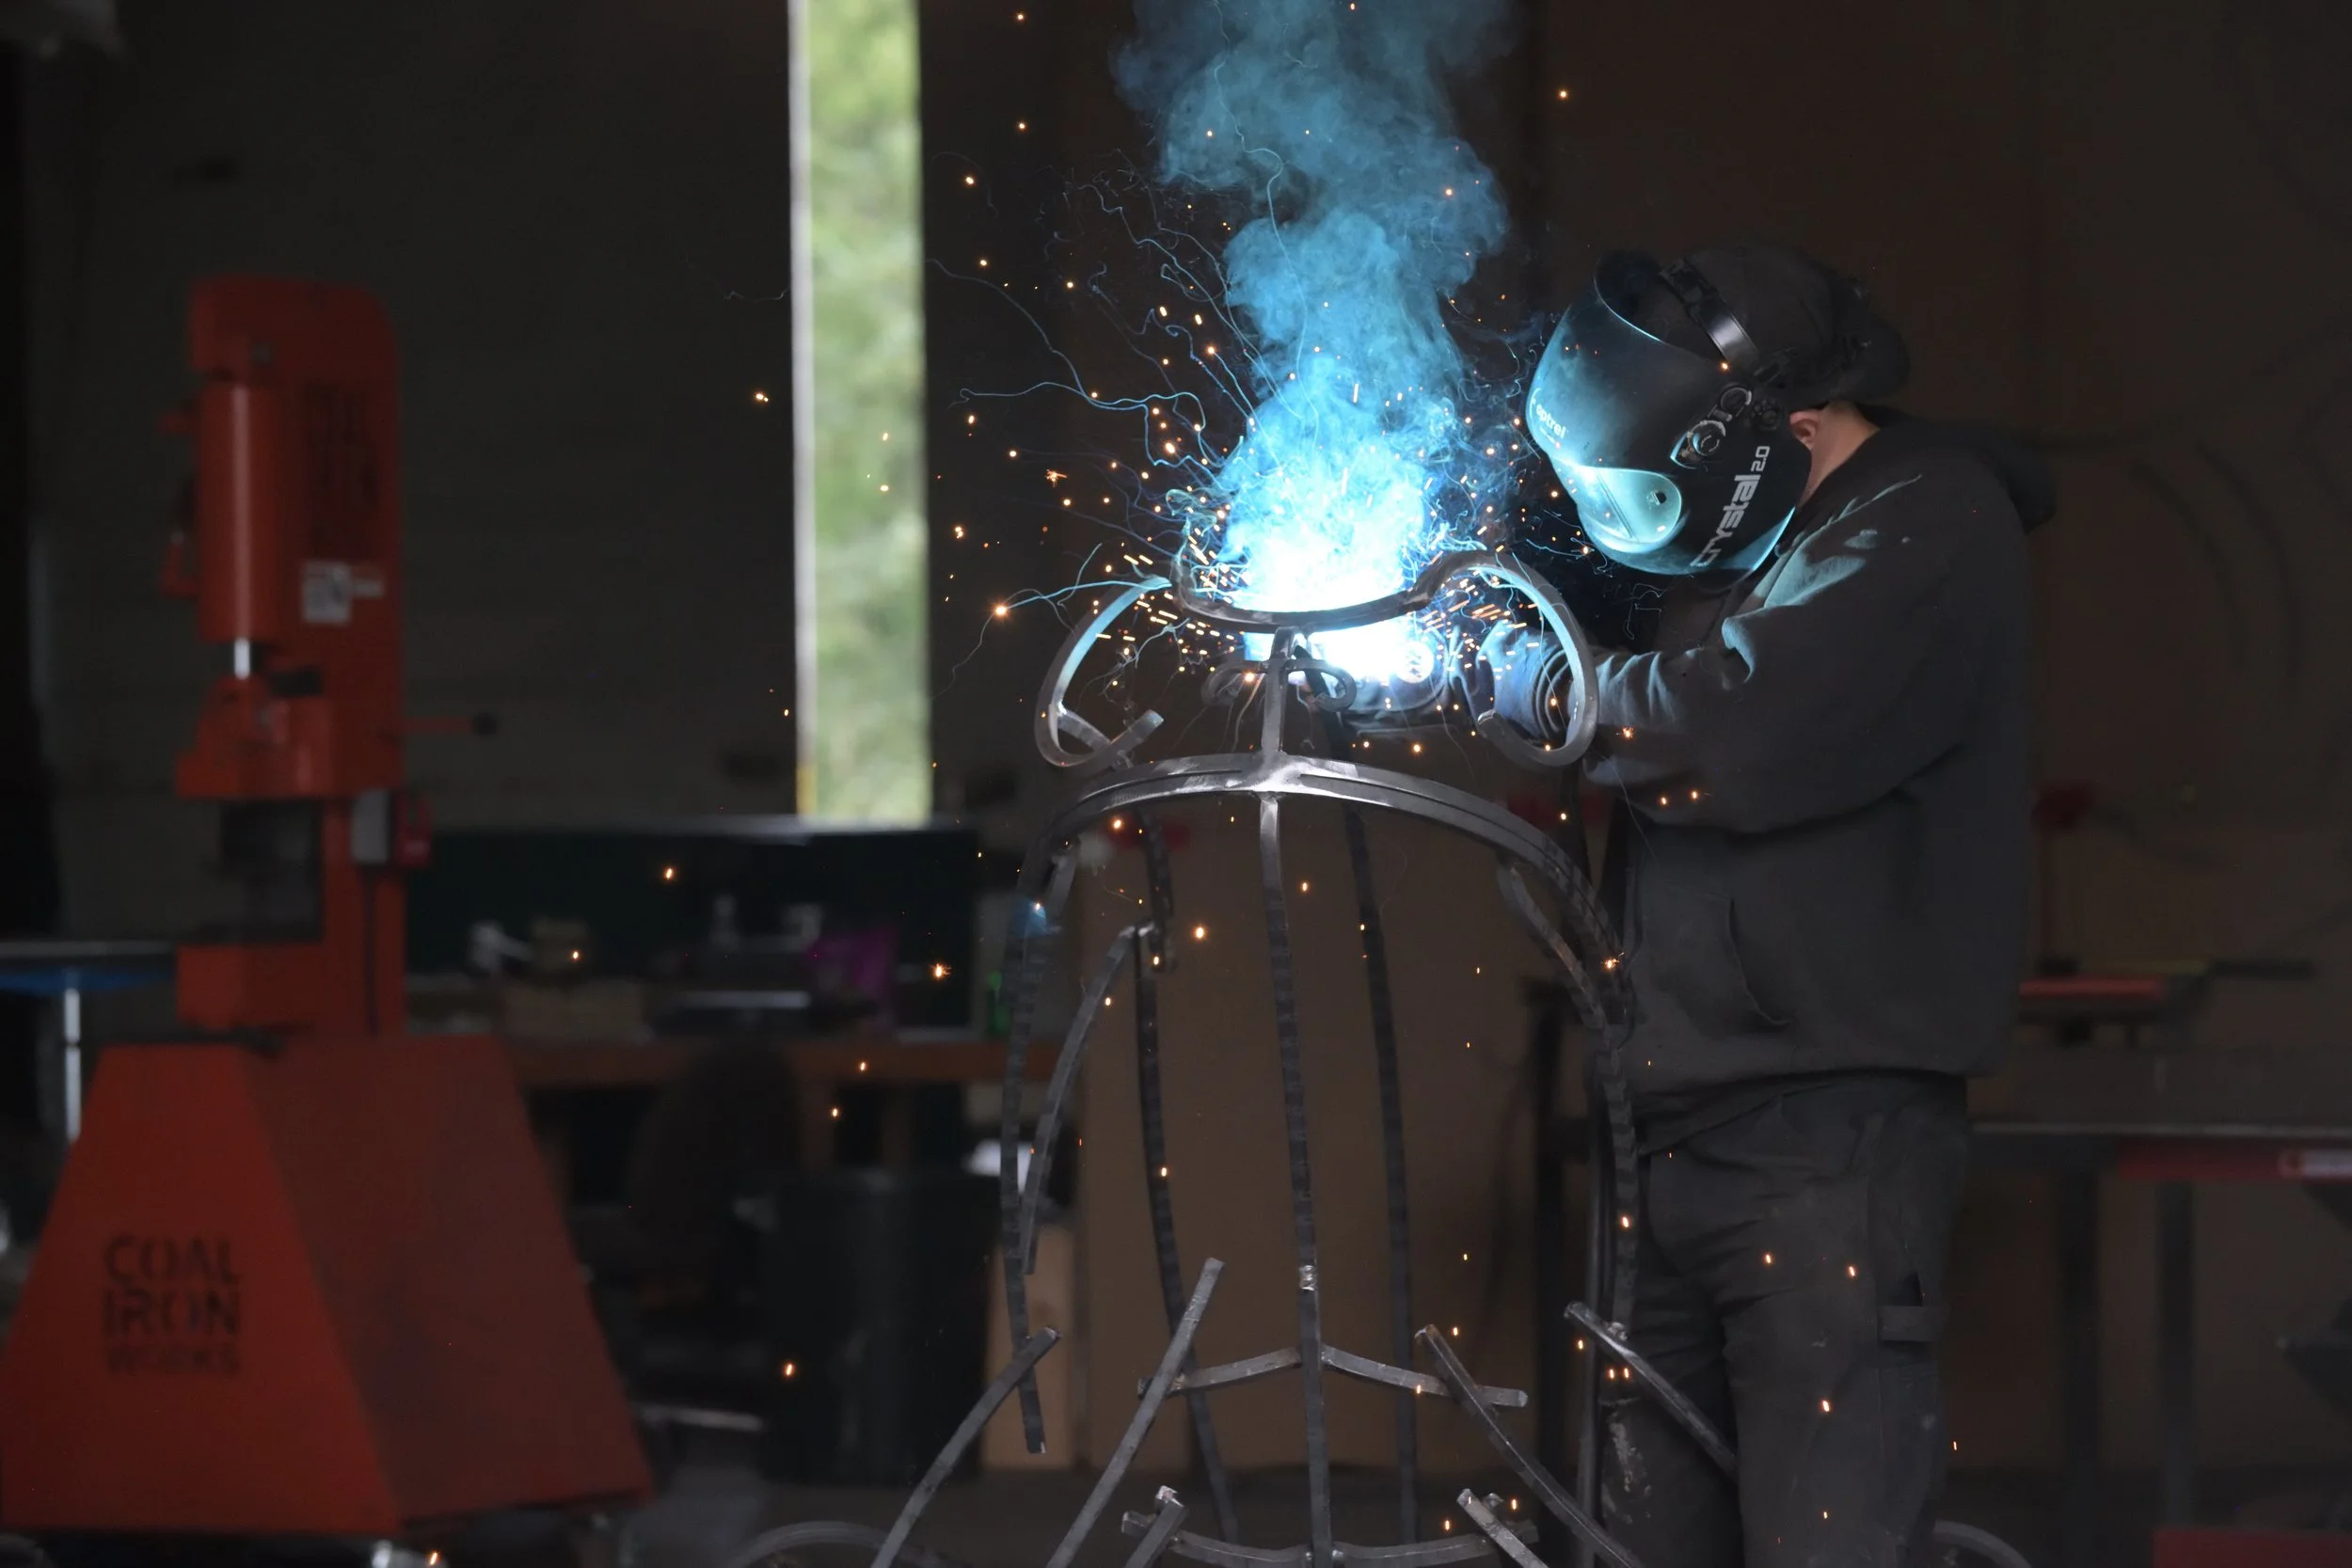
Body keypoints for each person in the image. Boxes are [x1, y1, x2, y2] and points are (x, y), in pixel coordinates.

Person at [1523, 244, 2055, 1567]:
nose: (1630, 526)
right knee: (1639, 1538)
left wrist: (1542, 689)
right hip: (1674, 1124)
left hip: (1826, 1146)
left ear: (1792, 430)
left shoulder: (1925, 523)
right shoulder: (1752, 535)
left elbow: (1733, 737)